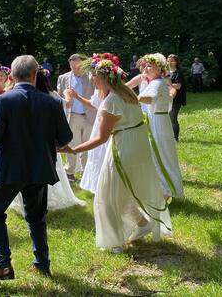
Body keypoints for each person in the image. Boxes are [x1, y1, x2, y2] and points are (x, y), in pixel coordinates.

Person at [0, 55, 72, 281]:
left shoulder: (3, 101)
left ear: (11, 75)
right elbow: (65, 137)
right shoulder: (51, 102)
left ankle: (4, 265)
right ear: (34, 75)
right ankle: (42, 263)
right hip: (39, 168)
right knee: (36, 217)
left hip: (11, 169)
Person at [59, 53, 172, 253]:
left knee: (106, 196)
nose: (91, 79)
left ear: (103, 78)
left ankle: (115, 242)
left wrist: (73, 149)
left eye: (94, 76)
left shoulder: (111, 101)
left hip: (124, 149)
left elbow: (101, 138)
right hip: (138, 146)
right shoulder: (127, 94)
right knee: (123, 192)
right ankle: (143, 223)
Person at [9, 68, 85, 213]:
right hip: (47, 142)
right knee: (50, 169)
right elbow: (66, 104)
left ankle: (29, 202)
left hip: (25, 143)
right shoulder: (51, 96)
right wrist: (67, 95)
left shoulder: (20, 96)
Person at [137, 54, 184, 199]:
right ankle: (164, 190)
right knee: (162, 156)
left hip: (157, 123)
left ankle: (166, 192)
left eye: (150, 66)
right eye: (145, 65)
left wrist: (132, 98)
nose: (146, 68)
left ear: (159, 69)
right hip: (158, 121)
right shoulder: (158, 82)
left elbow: (150, 99)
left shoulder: (157, 83)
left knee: (159, 156)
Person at [57, 54, 96, 181]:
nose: (76, 70)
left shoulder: (92, 77)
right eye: (73, 67)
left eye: (78, 67)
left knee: (88, 144)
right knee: (72, 143)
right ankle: (70, 171)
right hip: (72, 115)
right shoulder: (63, 78)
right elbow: (58, 97)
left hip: (89, 115)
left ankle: (87, 172)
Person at [167, 54, 186, 141]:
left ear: (176, 62)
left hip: (177, 99)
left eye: (172, 61)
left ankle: (175, 138)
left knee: (173, 117)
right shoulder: (166, 72)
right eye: (168, 61)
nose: (170, 62)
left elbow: (178, 86)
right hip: (166, 98)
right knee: (167, 118)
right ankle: (168, 136)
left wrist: (167, 83)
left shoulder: (179, 73)